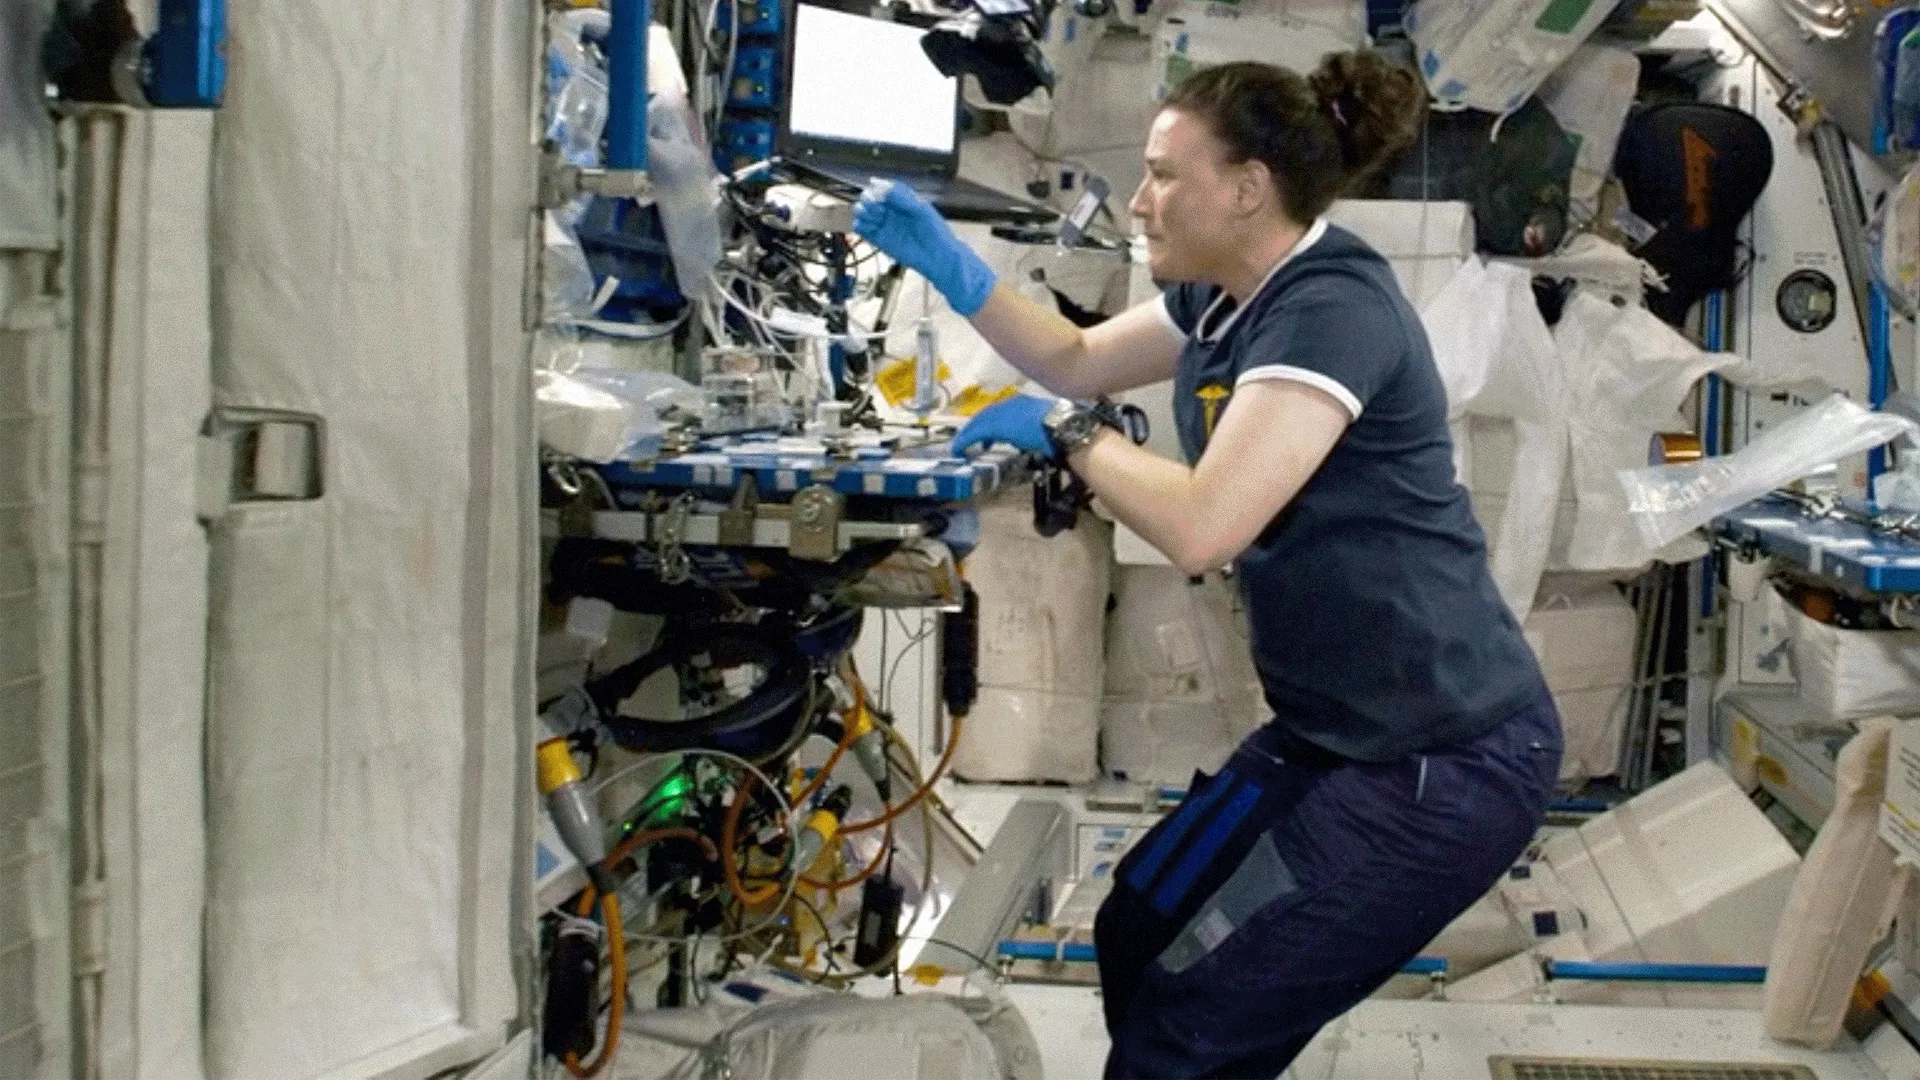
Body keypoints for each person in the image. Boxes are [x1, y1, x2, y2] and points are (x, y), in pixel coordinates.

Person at [854, 51, 1563, 1079]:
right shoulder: (1224, 296)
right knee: (1138, 924)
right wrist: (954, 269)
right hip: (1331, 732)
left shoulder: (1328, 309)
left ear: (1246, 190)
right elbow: (1076, 358)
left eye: (1162, 175)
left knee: (1194, 1023)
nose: (1140, 202)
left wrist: (1070, 434)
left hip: (1440, 763)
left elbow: (1203, 527)